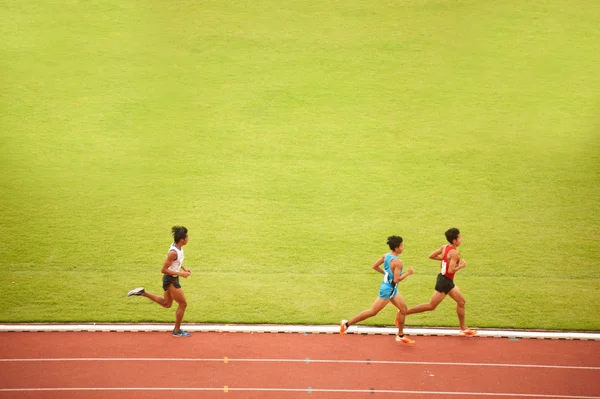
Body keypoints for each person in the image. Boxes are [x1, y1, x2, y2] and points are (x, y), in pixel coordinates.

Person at [340, 235, 416, 344]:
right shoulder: (397, 262)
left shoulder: (386, 256)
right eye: (401, 246)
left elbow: (374, 266)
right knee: (373, 312)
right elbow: (396, 280)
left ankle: (400, 335)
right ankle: (346, 324)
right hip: (388, 290)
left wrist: (385, 273)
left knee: (403, 309)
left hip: (391, 289)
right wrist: (408, 273)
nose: (403, 247)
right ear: (396, 248)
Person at [404, 227, 477, 337]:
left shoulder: (444, 247)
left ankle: (463, 328)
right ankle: (404, 312)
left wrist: (444, 259)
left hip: (446, 280)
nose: (461, 239)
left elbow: (432, 256)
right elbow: (451, 270)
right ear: (454, 240)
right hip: (445, 282)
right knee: (431, 306)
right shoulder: (454, 253)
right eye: (459, 237)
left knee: (461, 302)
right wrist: (460, 266)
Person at [127, 226, 193, 337]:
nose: (188, 238)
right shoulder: (173, 252)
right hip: (170, 279)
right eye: (187, 236)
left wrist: (184, 268)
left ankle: (142, 292)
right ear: (182, 239)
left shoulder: (178, 247)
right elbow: (163, 270)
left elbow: (176, 262)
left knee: (166, 304)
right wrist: (181, 274)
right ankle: (176, 331)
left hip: (172, 278)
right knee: (183, 303)